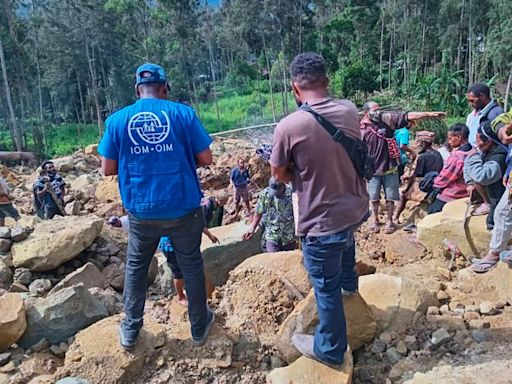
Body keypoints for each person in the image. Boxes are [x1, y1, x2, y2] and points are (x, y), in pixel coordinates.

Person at [98, 63, 214, 351]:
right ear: (164, 88)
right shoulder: (183, 114)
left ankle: (131, 329)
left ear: (138, 90)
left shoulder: (117, 120)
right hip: (183, 208)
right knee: (192, 264)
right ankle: (199, 326)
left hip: (141, 210)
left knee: (136, 267)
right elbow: (207, 158)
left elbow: (107, 168)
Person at [270, 52, 368, 369]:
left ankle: (330, 348)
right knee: (346, 243)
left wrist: (302, 172)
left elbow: (277, 174)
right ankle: (350, 288)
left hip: (320, 221)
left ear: (294, 89)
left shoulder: (289, 125)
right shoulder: (350, 109)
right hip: (353, 208)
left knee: (325, 290)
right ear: (326, 82)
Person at [361, 101, 445, 234]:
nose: (378, 112)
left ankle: (389, 221)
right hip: (373, 171)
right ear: (366, 113)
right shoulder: (361, 129)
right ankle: (375, 220)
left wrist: (428, 114)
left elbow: (407, 116)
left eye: (379, 109)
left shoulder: (387, 120)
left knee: (390, 198)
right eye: (375, 110)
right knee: (374, 198)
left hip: (390, 169)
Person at [108, 216, 219, 305]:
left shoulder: (182, 209)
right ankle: (180, 296)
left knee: (194, 269)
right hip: (170, 247)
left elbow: (197, 223)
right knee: (179, 273)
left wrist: (210, 235)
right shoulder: (167, 211)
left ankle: (201, 295)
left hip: (184, 243)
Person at [472, 116, 512, 273]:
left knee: (503, 212)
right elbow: (501, 120)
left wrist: (472, 158)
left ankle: (494, 254)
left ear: (488, 142)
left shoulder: (497, 157)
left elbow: (482, 176)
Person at [394, 131, 444, 228]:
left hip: (426, 187)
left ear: (423, 143)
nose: (417, 145)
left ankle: (395, 218)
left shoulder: (423, 157)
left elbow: (416, 176)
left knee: (402, 195)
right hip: (435, 184)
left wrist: (407, 188)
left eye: (418, 143)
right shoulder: (438, 154)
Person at [463, 122, 507, 230]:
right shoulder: (486, 152)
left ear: (488, 142)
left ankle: (489, 205)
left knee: (497, 223)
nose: (477, 145)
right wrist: (469, 182)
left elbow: (481, 176)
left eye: (478, 141)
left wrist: (473, 156)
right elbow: (468, 166)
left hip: (499, 196)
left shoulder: (499, 158)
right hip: (492, 192)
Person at [427, 124, 473, 214]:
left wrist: (435, 182)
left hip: (454, 193)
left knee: (432, 211)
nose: (449, 142)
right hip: (466, 191)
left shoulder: (458, 156)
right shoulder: (474, 151)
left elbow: (446, 178)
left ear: (459, 137)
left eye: (450, 138)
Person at [242, 177, 295, 252]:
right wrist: (252, 228)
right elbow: (258, 211)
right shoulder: (265, 194)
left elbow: (299, 211)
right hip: (272, 235)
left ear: (283, 186)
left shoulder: (292, 192)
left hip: (289, 235)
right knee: (272, 260)